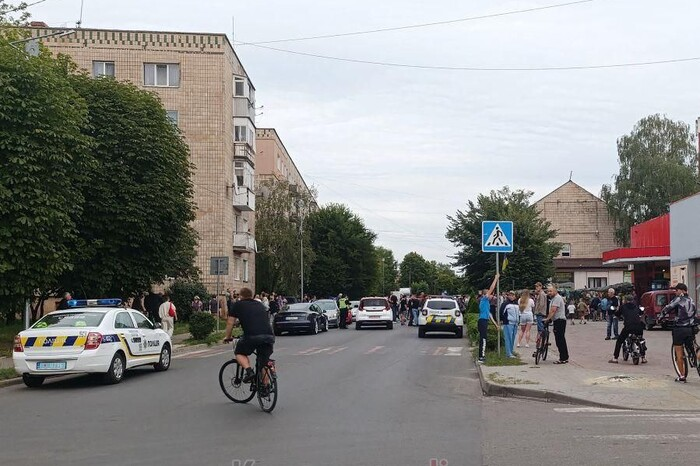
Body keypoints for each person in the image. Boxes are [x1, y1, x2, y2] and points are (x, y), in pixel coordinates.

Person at [223, 287, 275, 384]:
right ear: (252, 296)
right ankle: (266, 388)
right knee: (264, 361)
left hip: (252, 336)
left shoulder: (238, 304)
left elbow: (230, 322)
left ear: (241, 296)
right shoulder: (260, 304)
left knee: (239, 352)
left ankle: (249, 371)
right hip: (269, 336)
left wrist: (228, 337)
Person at [660, 283, 697, 383]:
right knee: (692, 347)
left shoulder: (678, 299)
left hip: (679, 329)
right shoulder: (692, 300)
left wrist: (660, 317)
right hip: (690, 328)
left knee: (679, 353)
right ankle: (696, 359)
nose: (675, 292)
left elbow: (668, 308)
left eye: (676, 290)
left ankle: (682, 376)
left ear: (681, 290)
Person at [609, 295, 647, 364]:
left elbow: (617, 314)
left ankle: (615, 358)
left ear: (626, 300)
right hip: (639, 327)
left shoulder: (623, 307)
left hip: (628, 327)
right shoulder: (636, 306)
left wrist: (615, 314)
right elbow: (641, 312)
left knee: (619, 341)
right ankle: (643, 358)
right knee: (641, 340)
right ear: (633, 300)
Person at [477, 274, 500, 363]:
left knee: (484, 338)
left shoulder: (487, 304)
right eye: (490, 294)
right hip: (482, 321)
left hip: (484, 320)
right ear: (485, 294)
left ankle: (482, 355)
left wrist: (496, 325)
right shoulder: (484, 299)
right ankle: (481, 357)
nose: (491, 295)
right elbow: (492, 288)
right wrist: (496, 278)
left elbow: (490, 315)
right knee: (483, 339)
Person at [544, 284, 568, 364]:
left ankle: (563, 358)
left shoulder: (557, 298)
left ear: (555, 291)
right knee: (560, 339)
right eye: (548, 291)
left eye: (551, 291)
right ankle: (564, 356)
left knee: (560, 340)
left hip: (559, 320)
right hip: (557, 320)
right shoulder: (554, 298)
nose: (549, 293)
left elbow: (553, 310)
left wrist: (548, 319)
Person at [500, 291, 520, 358]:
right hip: (508, 323)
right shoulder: (505, 304)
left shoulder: (517, 304)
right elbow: (501, 313)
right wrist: (504, 320)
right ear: (508, 296)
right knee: (508, 338)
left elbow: (518, 313)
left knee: (513, 338)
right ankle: (508, 353)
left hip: (515, 323)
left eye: (513, 295)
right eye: (510, 295)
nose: (511, 296)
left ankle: (511, 351)